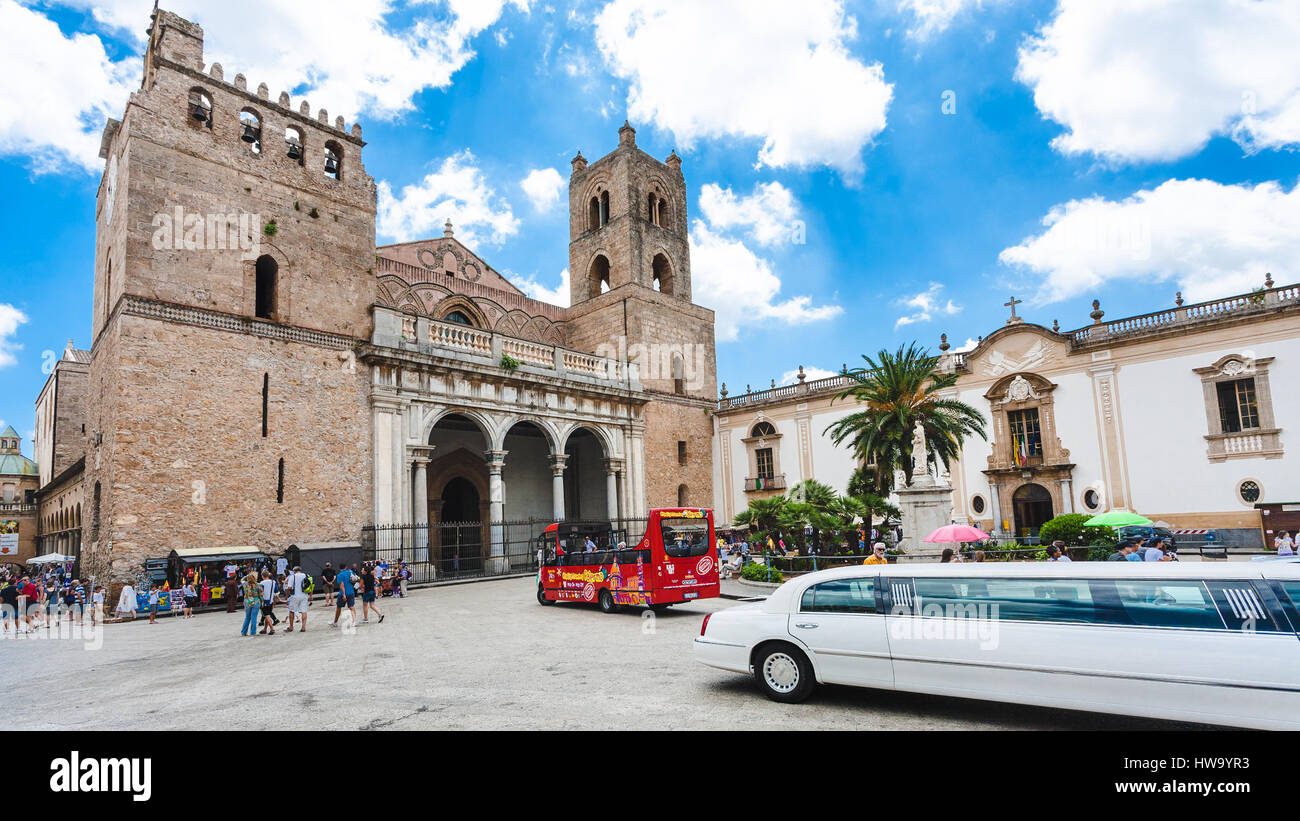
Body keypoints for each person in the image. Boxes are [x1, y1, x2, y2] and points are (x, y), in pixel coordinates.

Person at [331, 563, 357, 628]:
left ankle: (335, 622)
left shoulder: (340, 575)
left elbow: (342, 585)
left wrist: (344, 595)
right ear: (346, 567)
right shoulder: (350, 572)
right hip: (351, 592)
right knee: (351, 607)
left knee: (339, 607)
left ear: (339, 568)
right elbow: (355, 579)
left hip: (343, 594)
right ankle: (354, 621)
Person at [285, 565, 309, 632]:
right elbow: (311, 585)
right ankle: (303, 627)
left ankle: (291, 627)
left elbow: (289, 587)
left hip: (295, 596)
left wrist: (287, 596)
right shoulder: (306, 575)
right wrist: (311, 596)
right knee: (304, 611)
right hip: (304, 596)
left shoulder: (293, 577)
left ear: (294, 571)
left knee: (291, 611)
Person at [240, 571, 262, 637]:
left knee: (247, 617)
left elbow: (241, 579)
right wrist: (262, 602)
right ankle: (253, 632)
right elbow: (261, 595)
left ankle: (244, 632)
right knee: (254, 618)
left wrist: (247, 576)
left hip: (247, 602)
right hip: (256, 602)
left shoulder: (245, 584)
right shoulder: (258, 585)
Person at [258, 570, 278, 634]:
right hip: (271, 600)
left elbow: (260, 593)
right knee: (268, 615)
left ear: (262, 576)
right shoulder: (273, 582)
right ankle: (265, 629)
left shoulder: (261, 583)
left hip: (264, 601)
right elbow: (276, 591)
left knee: (267, 615)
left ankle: (272, 629)